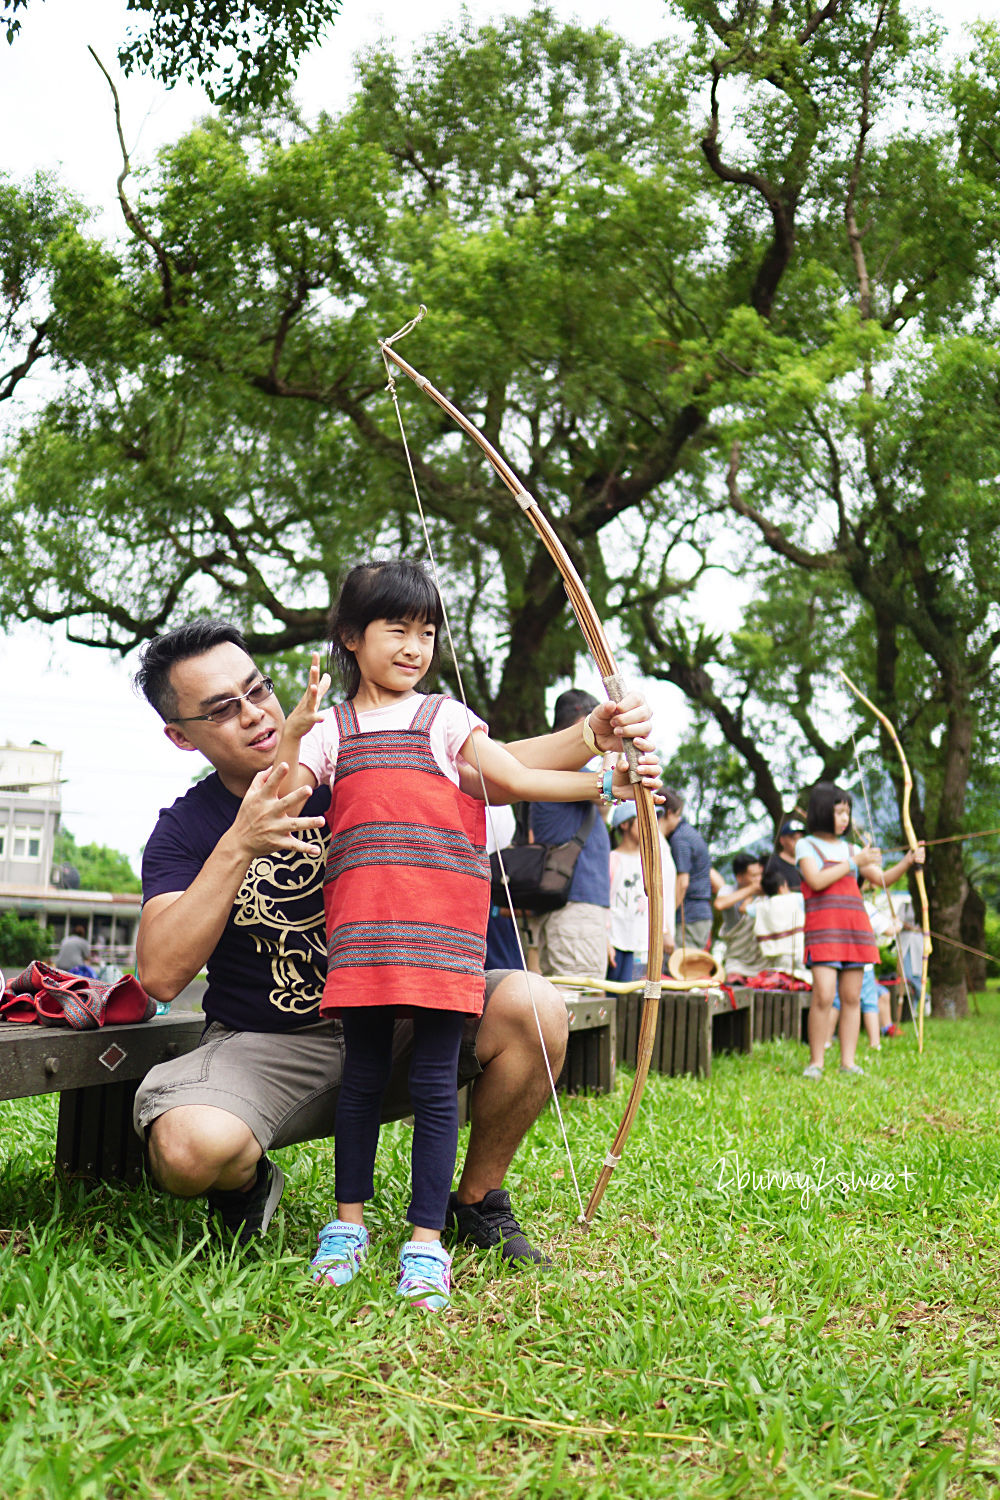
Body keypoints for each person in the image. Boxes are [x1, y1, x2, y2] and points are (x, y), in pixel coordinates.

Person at [131, 617, 657, 1276]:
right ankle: (246, 1187)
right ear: (181, 737)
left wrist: (590, 738)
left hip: (404, 1017)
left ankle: (475, 1201)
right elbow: (159, 971)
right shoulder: (185, 829)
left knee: (533, 1005)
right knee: (187, 1150)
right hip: (269, 1045)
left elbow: (481, 763)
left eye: (257, 690)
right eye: (222, 710)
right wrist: (240, 840)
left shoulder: (342, 756)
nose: (255, 715)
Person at [272, 560, 657, 1310]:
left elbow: (508, 774)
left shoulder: (443, 717)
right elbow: (283, 795)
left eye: (427, 632)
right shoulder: (333, 730)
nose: (415, 646)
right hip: (364, 941)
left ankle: (425, 1240)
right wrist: (291, 737)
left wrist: (606, 782)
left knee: (433, 1085)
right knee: (361, 1079)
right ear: (350, 637)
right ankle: (345, 1225)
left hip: (444, 940)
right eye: (397, 630)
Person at [796, 782, 924, 1080]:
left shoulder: (851, 848)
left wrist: (907, 861)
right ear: (822, 812)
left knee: (853, 997)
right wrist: (854, 862)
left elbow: (881, 879)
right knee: (824, 996)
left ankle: (848, 1062)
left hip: (855, 930)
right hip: (824, 930)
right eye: (839, 812)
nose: (845, 818)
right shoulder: (807, 845)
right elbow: (815, 880)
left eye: (847, 812)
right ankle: (816, 1062)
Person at [529, 690, 612, 985]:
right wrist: (613, 749)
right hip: (574, 906)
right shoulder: (564, 763)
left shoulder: (551, 763)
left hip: (569, 905)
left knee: (567, 998)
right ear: (581, 722)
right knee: (578, 1000)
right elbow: (608, 790)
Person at [607, 802, 676, 983]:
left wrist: (665, 931)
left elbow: (659, 900)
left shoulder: (653, 862)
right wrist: (605, 940)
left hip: (645, 943)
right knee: (615, 997)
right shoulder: (613, 859)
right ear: (624, 824)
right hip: (617, 941)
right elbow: (604, 903)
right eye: (643, 821)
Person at [657, 789, 713, 949]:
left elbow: (682, 883)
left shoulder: (679, 839)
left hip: (690, 916)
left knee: (679, 968)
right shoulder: (690, 834)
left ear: (668, 812)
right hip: (700, 914)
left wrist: (664, 921)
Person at [713, 853, 766, 980]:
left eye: (760, 874)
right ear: (739, 877)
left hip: (761, 961)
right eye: (753, 876)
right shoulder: (728, 890)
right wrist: (752, 890)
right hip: (736, 960)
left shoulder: (765, 892)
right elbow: (719, 904)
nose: (759, 879)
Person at [753, 864, 807, 980]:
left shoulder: (761, 906)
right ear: (782, 887)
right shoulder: (797, 898)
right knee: (802, 978)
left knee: (781, 980)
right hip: (798, 950)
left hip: (775, 954)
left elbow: (743, 908)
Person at [765, 821, 805, 893]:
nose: (798, 842)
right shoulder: (774, 864)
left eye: (801, 838)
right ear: (782, 840)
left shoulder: (808, 858)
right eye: (793, 838)